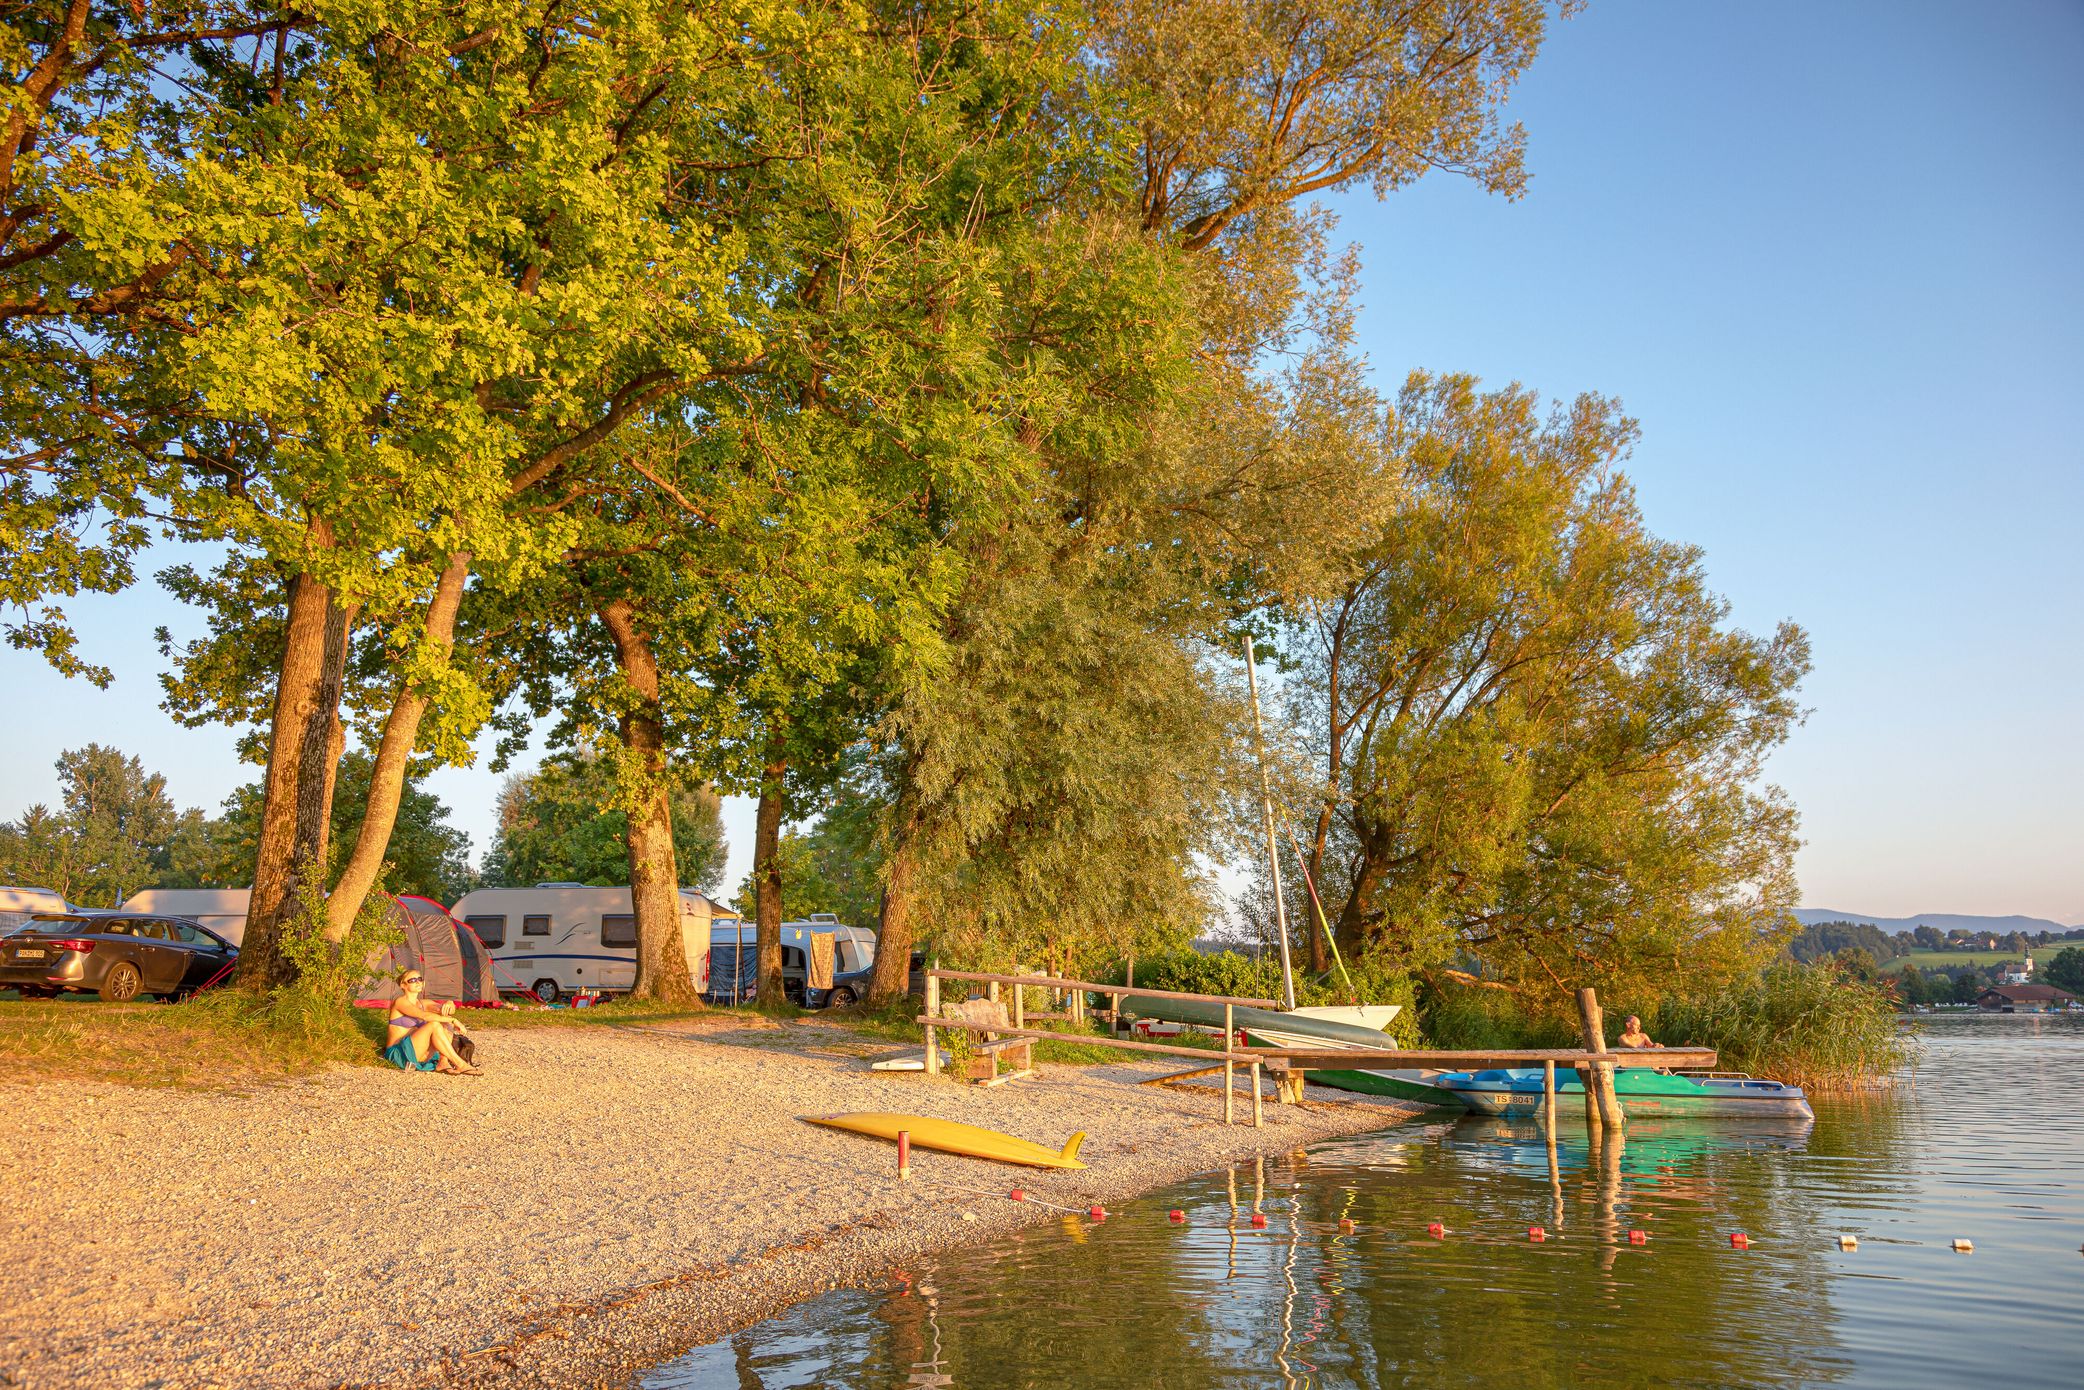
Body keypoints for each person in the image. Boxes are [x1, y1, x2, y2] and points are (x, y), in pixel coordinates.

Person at [384, 969, 481, 1075]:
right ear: (403, 985)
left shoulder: (424, 1003)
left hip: (418, 1052)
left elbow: (447, 1011)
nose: (418, 982)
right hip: (399, 1053)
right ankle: (460, 1064)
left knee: (445, 1022)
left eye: (419, 979)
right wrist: (454, 1020)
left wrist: (450, 1003)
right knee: (434, 1024)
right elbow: (424, 1016)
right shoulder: (400, 1002)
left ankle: (443, 1062)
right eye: (412, 980)